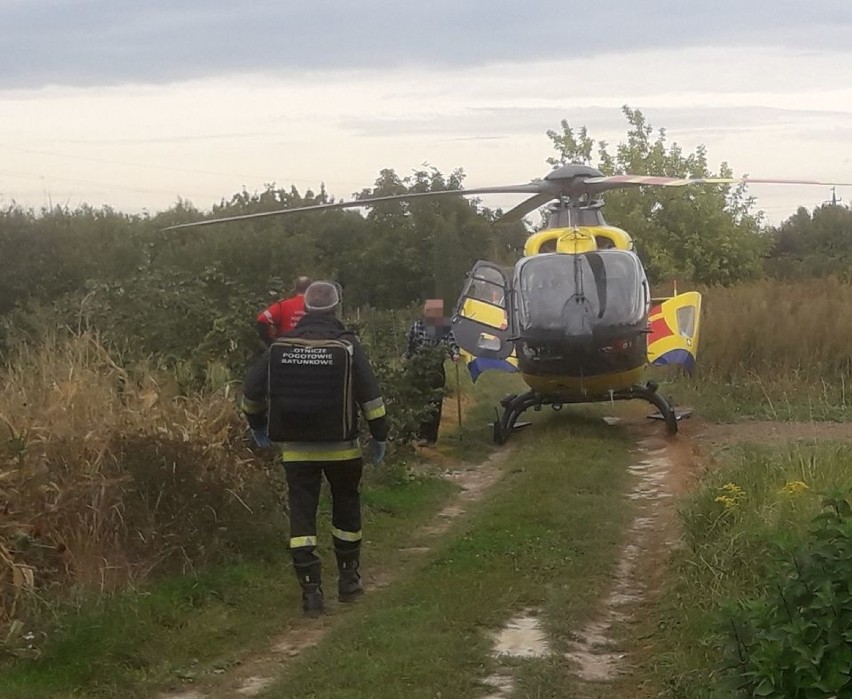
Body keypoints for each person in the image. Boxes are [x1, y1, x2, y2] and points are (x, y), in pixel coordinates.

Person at [242, 281, 388, 618]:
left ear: (305, 309)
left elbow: (251, 391)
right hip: (343, 449)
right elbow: (371, 397)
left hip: (297, 452)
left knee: (302, 518)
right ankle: (349, 583)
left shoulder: (280, 345)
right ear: (336, 308)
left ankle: (311, 594)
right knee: (346, 513)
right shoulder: (348, 345)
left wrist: (257, 425)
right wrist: (379, 435)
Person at [404, 299, 461, 446]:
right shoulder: (417, 326)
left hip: (436, 368)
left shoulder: (443, 328)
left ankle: (430, 437)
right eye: (429, 311)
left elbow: (452, 343)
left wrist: (455, 353)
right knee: (419, 401)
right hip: (419, 369)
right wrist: (407, 362)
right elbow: (410, 348)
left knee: (435, 402)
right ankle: (417, 434)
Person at [256, 276, 312, 345]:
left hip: (286, 347)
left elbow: (262, 319)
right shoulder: (319, 306)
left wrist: (271, 342)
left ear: (295, 289)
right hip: (312, 348)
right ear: (312, 289)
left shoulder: (283, 305)